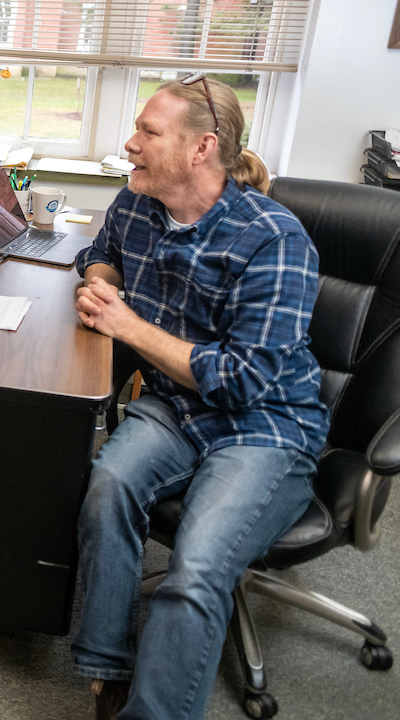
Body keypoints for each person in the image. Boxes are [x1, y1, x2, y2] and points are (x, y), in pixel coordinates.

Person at [71, 76, 329, 720]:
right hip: (175, 409)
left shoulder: (275, 240)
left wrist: (126, 325)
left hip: (266, 426)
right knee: (107, 489)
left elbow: (243, 380)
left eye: (148, 133)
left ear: (201, 148)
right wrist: (102, 285)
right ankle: (108, 669)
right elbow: (99, 253)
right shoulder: (136, 204)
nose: (129, 145)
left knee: (198, 565)